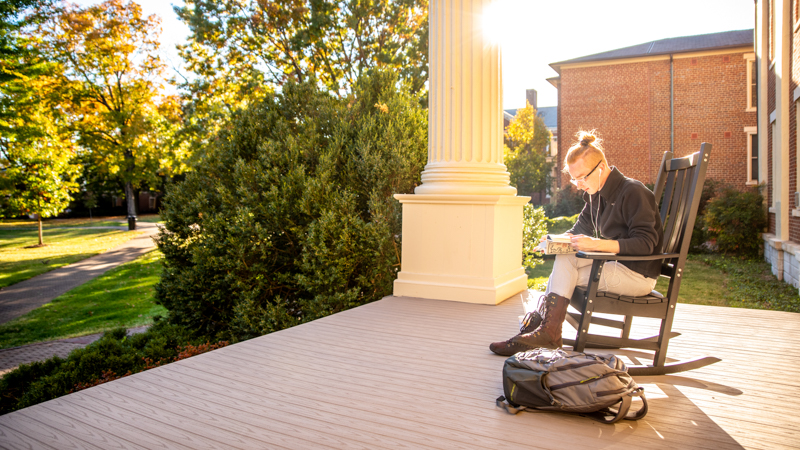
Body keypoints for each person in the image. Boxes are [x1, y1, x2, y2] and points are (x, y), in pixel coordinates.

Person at [490, 130, 664, 356]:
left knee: (565, 276)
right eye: (574, 179)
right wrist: (554, 242)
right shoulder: (597, 194)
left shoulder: (633, 191)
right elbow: (578, 230)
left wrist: (597, 245)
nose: (579, 185)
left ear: (600, 168)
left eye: (582, 178)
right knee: (565, 257)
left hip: (637, 275)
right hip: (615, 265)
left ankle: (543, 328)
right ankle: (546, 329)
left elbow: (646, 243)